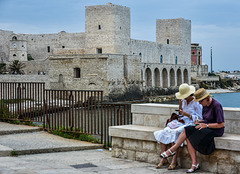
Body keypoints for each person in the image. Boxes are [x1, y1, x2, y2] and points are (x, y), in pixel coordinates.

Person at [160, 88, 224, 173]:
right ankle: (194, 164)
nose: (199, 103)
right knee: (188, 132)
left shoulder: (216, 105)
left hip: (215, 130)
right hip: (206, 127)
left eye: (200, 101)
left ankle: (172, 150)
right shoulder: (205, 105)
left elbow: (221, 124)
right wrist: (199, 122)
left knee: (188, 131)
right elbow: (205, 119)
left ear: (206, 98)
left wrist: (206, 125)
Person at [154, 84, 202, 170]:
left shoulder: (196, 103)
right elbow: (180, 114)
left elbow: (200, 118)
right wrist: (180, 106)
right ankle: (164, 159)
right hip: (182, 122)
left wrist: (187, 115)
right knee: (165, 131)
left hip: (190, 123)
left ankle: (174, 161)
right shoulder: (183, 101)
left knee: (175, 132)